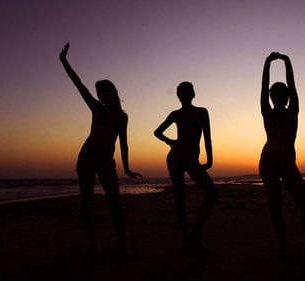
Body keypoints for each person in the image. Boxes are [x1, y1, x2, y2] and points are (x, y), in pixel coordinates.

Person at [59, 43, 141, 256]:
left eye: (102, 92)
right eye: (98, 92)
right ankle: (93, 245)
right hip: (87, 157)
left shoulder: (122, 117)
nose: (100, 95)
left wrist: (127, 168)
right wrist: (64, 61)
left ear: (111, 92)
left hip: (106, 161)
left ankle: (124, 247)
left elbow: (124, 142)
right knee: (85, 202)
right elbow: (78, 84)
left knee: (115, 204)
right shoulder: (96, 108)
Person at [259, 52, 305, 258]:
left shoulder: (293, 110)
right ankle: (282, 243)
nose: (277, 97)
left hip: (287, 163)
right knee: (275, 203)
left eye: (281, 94)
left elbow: (292, 84)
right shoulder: (267, 111)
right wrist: (268, 63)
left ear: (287, 97)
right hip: (269, 163)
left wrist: (286, 61)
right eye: (274, 94)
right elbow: (263, 88)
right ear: (271, 97)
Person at [154, 81, 217, 250]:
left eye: (186, 91)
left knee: (212, 193)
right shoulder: (175, 114)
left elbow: (207, 137)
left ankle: (195, 233)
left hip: (192, 159)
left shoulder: (202, 112)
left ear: (192, 93)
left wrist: (210, 159)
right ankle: (187, 240)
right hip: (175, 158)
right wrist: (171, 142)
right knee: (180, 198)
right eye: (181, 92)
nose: (183, 95)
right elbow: (157, 132)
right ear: (178, 96)